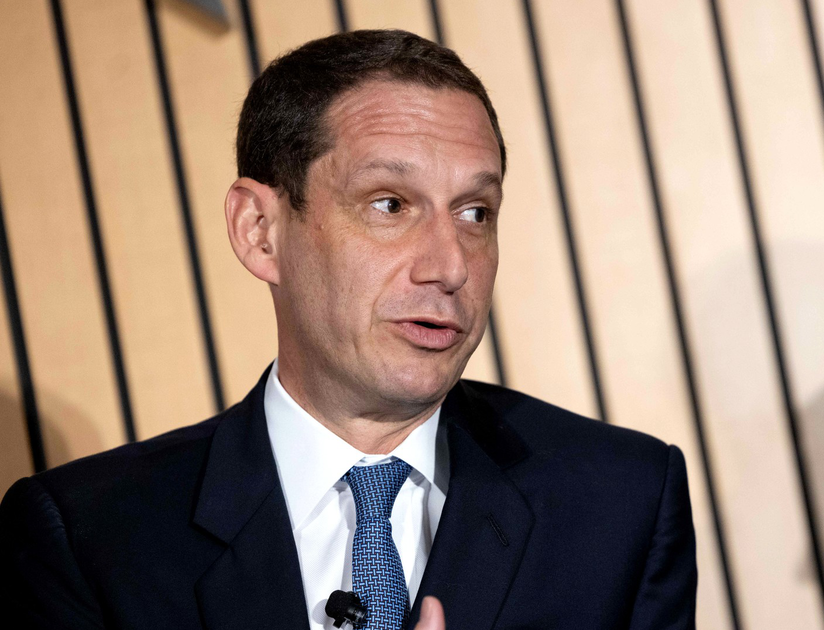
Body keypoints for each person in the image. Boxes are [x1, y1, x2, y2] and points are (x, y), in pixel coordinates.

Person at [0, 29, 696, 630]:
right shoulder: (93, 540)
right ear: (260, 231)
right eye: (390, 204)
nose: (450, 265)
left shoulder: (619, 501)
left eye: (475, 212)